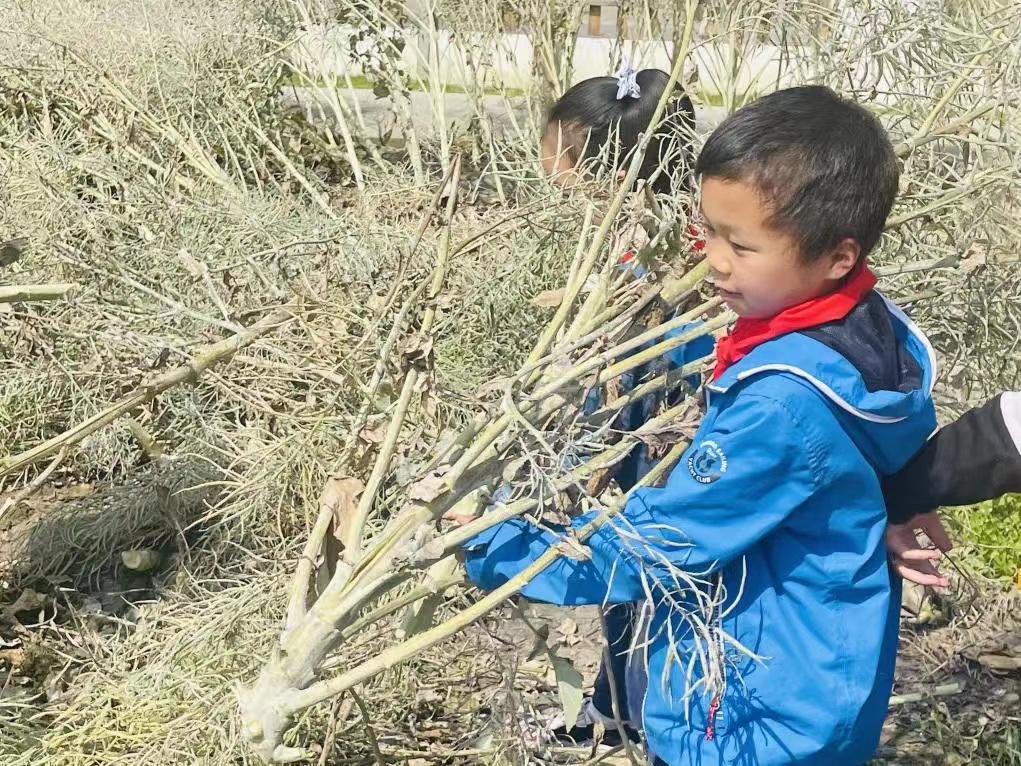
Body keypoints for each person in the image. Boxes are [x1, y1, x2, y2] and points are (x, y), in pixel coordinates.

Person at [460, 85, 941, 765]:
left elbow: (657, 549)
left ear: (837, 256)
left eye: (738, 245)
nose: (710, 259)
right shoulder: (871, 334)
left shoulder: (779, 406)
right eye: (704, 229)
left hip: (747, 715)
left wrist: (492, 544)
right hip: (815, 682)